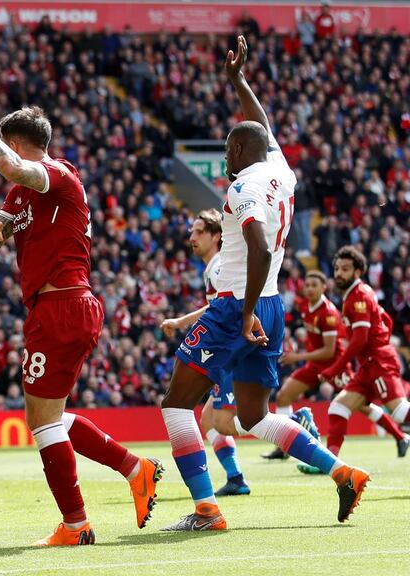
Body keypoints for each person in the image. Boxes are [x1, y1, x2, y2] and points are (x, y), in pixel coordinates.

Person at [158, 35, 368, 532]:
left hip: (238, 305)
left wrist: (245, 311)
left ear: (234, 149)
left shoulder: (243, 185)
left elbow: (260, 246)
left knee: (176, 406)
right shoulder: (281, 170)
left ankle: (207, 510)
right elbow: (264, 128)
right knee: (253, 418)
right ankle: (342, 472)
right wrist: (239, 81)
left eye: (229, 147)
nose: (226, 155)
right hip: (271, 304)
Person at [0, 90, 162, 547]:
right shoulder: (21, 196)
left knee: (42, 422)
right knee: (52, 416)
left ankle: (76, 525)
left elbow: (16, 168)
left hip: (63, 305)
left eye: (0, 141)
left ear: (12, 142)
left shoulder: (58, 175)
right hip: (58, 308)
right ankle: (136, 469)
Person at [263, 270, 407, 460]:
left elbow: (330, 351)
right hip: (314, 366)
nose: (309, 289)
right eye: (307, 285)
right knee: (283, 396)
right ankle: (284, 447)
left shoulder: (329, 312)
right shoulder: (305, 307)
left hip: (335, 366)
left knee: (363, 406)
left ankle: (400, 436)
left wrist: (298, 357)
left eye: (314, 285)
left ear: (324, 288)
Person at [161, 210, 249, 496]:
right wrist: (181, 321)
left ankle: (294, 423)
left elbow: (229, 306)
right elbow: (215, 307)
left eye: (199, 232)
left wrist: (180, 321)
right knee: (208, 420)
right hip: (225, 350)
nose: (192, 237)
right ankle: (236, 477)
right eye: (192, 231)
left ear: (216, 236)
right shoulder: (212, 268)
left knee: (226, 421)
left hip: (226, 351)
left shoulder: (218, 267)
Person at [308, 247, 410, 473]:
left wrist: (335, 367)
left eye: (345, 269)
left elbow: (360, 340)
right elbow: (385, 319)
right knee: (338, 407)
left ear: (358, 271)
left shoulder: (358, 296)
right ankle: (330, 462)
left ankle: (400, 437)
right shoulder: (360, 293)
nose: (339, 273)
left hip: (379, 362)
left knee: (401, 412)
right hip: (369, 364)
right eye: (336, 269)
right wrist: (381, 337)